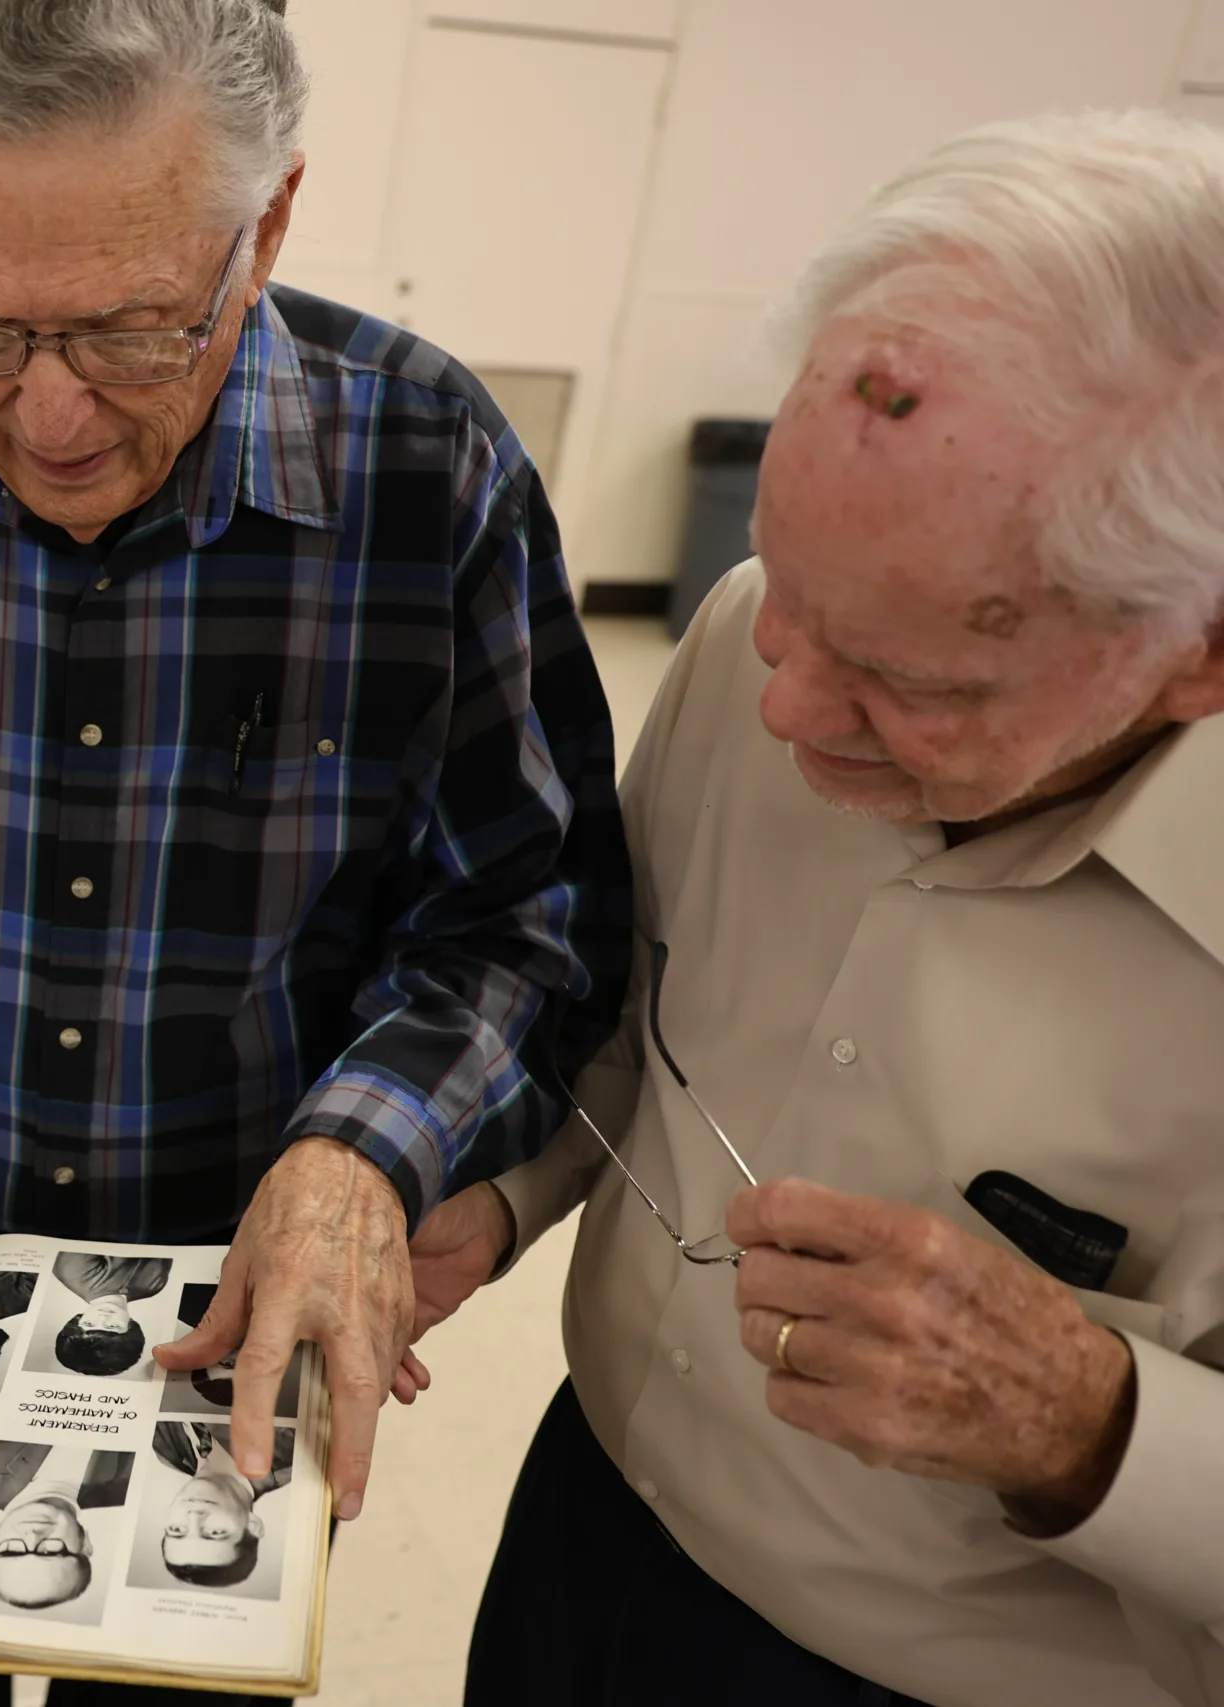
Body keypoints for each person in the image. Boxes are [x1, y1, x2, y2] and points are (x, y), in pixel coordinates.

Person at [0, 13, 627, 1691]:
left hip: (237, 1285)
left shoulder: (426, 467)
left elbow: (528, 910)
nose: (50, 414)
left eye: (127, 328)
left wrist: (362, 1157)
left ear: (271, 221)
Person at [405, 110, 1224, 1707]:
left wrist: (1093, 1425)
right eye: (780, 582)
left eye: (915, 678)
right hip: (589, 1526)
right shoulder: (746, 645)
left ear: (1197, 650)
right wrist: (489, 1196)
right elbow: (633, 1014)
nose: (783, 705)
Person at [0, 1443, 133, 1611]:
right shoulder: (129, 1487)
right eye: (50, 1552)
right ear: (85, 1546)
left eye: (12, 1552)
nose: (33, 1536)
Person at [150, 1422, 290, 1588]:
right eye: (215, 1532)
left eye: (176, 1529)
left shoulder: (166, 1450)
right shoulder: (290, 1450)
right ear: (253, 1525)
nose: (194, 1516)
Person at [47, 1251, 170, 1377]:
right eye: (112, 1326)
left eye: (88, 1323)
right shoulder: (153, 1287)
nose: (103, 1317)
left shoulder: (73, 1272)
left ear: (77, 1320)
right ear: (131, 1327)